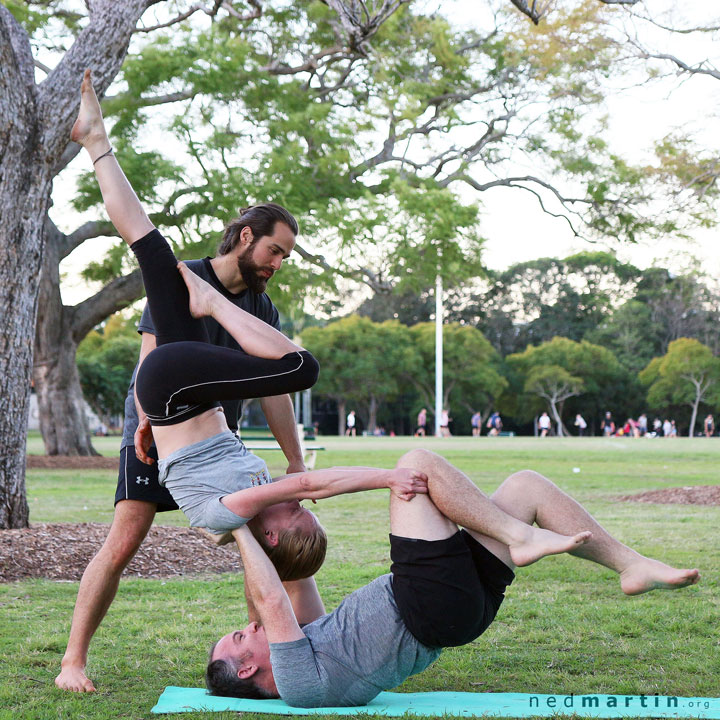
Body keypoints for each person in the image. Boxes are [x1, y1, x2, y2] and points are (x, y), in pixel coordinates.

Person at [57, 71, 425, 692]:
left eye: (286, 257)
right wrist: (147, 422)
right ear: (247, 236)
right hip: (163, 414)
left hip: (187, 414)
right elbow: (156, 354)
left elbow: (278, 394)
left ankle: (296, 647)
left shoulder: (262, 312)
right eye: (276, 251)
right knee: (126, 539)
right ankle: (73, 660)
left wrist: (293, 463)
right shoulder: (194, 276)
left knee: (277, 545)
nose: (279, 264)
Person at [207, 449, 700, 705]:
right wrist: (235, 531)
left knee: (525, 487)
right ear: (248, 669)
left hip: (456, 608)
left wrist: (255, 524)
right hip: (426, 607)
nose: (249, 627)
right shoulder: (297, 687)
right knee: (415, 467)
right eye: (239, 638)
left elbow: (291, 585)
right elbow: (271, 604)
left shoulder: (313, 651)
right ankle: (518, 537)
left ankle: (628, 565)